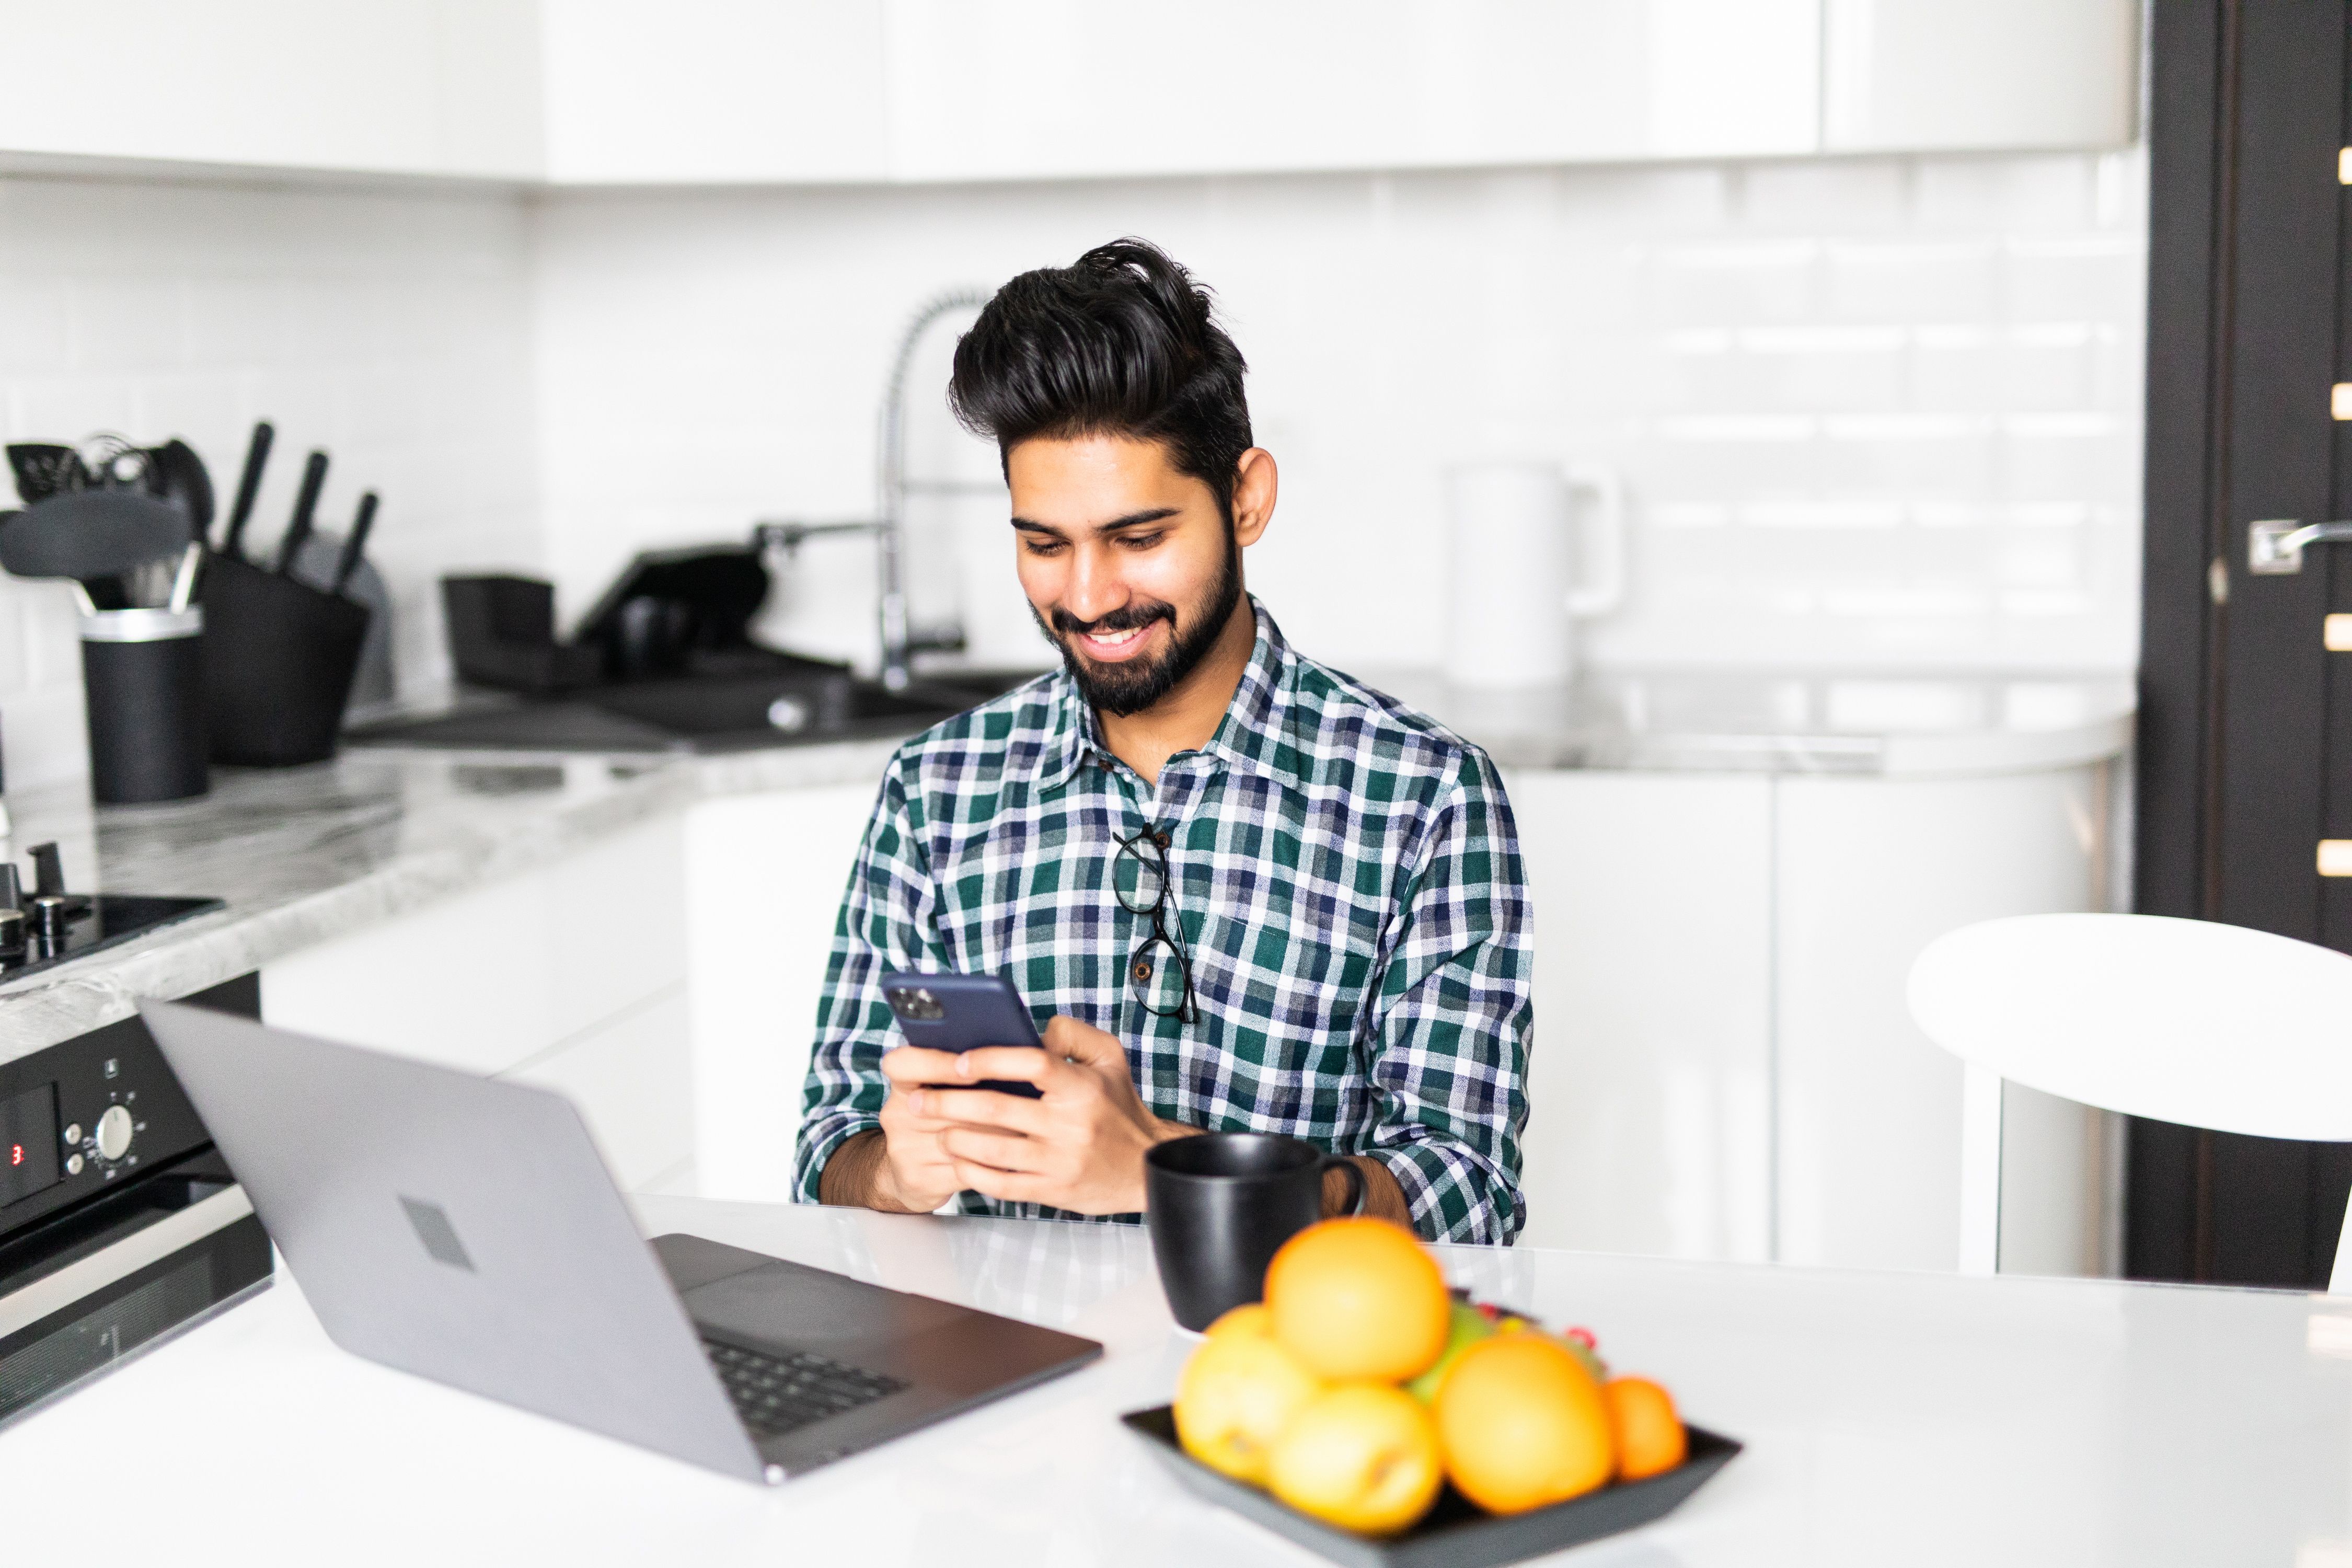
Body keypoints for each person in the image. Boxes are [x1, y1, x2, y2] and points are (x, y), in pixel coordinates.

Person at [793, 238, 1532, 1243]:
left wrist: (1163, 1170)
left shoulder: (1424, 796)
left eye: (1140, 539)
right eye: (1045, 545)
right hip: (1014, 1372)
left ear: (1246, 499)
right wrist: (898, 1172)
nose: (1089, 597)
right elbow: (827, 1157)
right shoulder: (936, 790)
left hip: (1294, 1367)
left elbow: (1468, 1190)